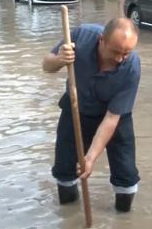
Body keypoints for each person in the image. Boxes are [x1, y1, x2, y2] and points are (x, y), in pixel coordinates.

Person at [44, 18, 141, 213]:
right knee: (65, 169)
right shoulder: (80, 37)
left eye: (126, 53)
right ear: (101, 40)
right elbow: (47, 65)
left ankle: (123, 221)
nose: (121, 58)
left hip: (114, 116)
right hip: (76, 108)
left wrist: (90, 158)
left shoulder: (131, 66)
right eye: (116, 52)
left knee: (126, 172)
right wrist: (59, 60)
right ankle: (69, 219)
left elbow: (112, 118)